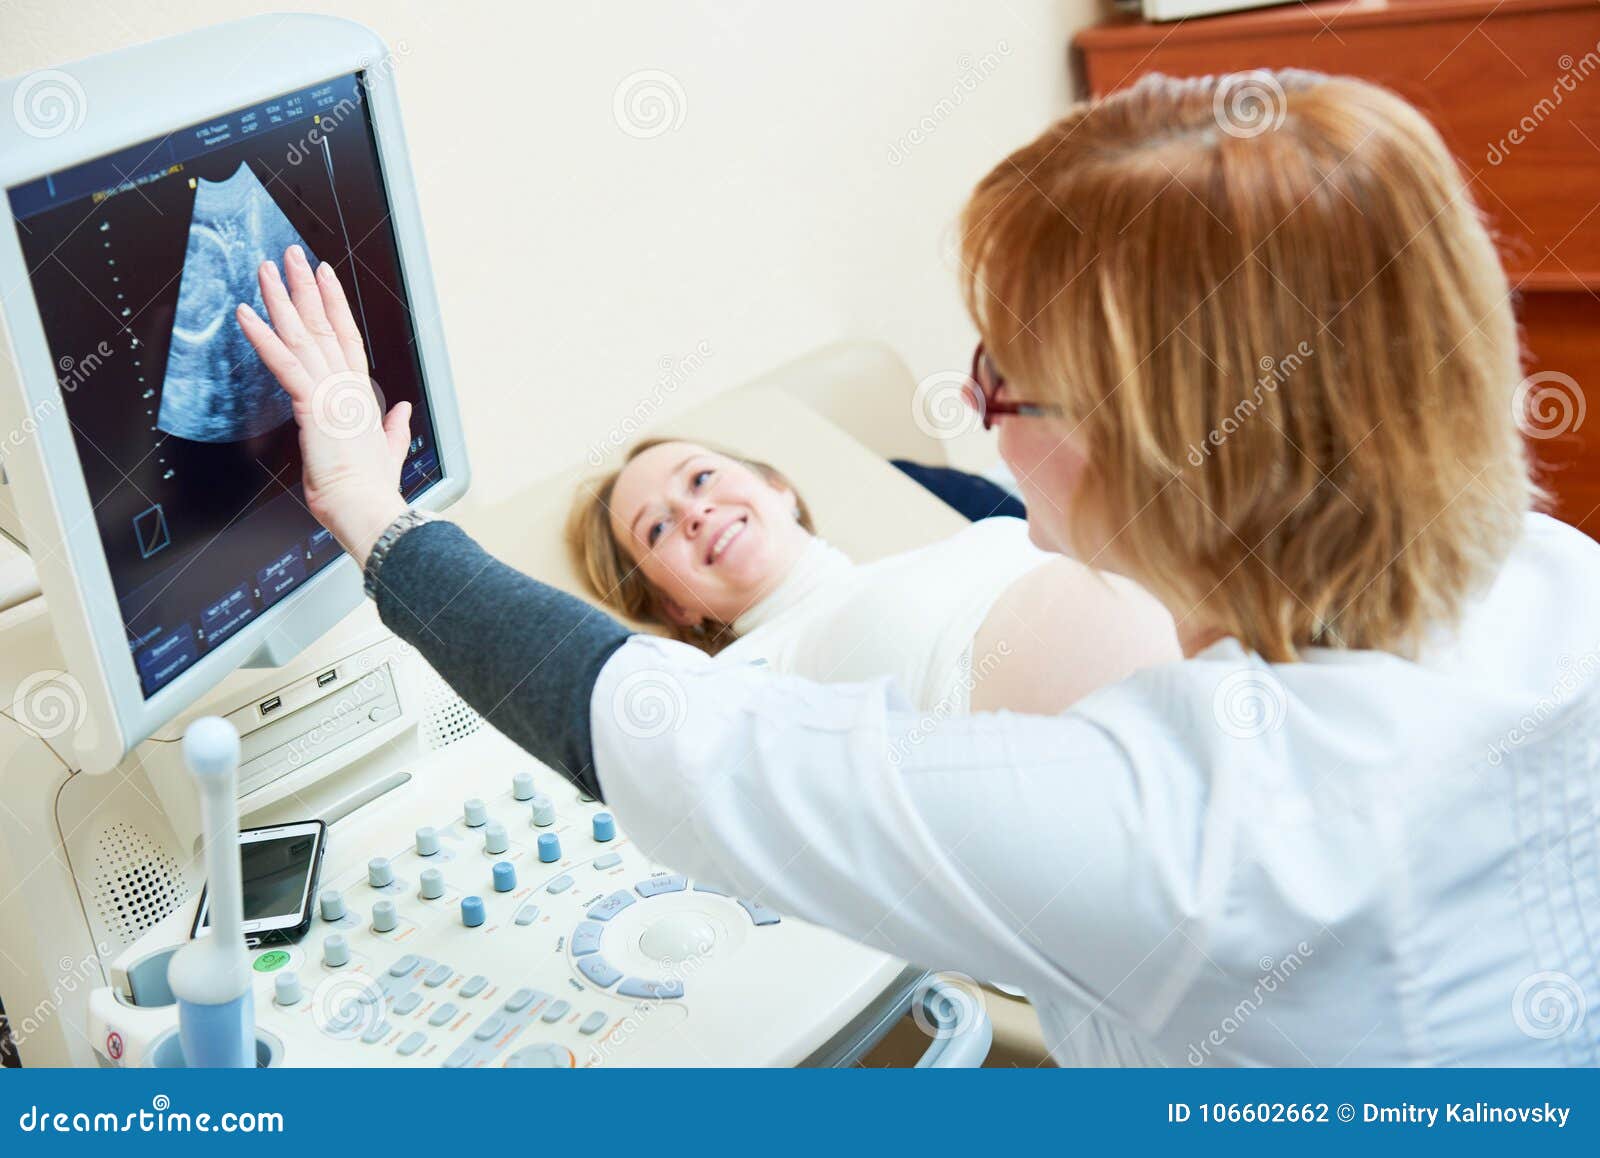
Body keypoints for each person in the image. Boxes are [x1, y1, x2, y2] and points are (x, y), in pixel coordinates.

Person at [236, 69, 1600, 1065]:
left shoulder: (1171, 826)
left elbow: (661, 738)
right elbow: (679, 705)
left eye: (1008, 379)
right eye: (657, 525)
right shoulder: (1558, 582)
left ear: (1169, 454)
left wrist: (372, 504)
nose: (977, 405)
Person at [566, 437, 1179, 714]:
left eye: (701, 479)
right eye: (658, 529)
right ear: (677, 609)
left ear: (777, 489)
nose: (695, 512)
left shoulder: (941, 547)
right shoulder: (735, 684)